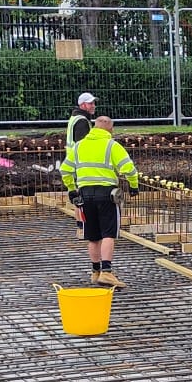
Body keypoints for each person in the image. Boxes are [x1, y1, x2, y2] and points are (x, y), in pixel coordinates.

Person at [59, 114, 139, 288]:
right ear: (110, 129)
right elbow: (129, 169)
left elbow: (65, 170)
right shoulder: (112, 146)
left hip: (85, 194)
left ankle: (95, 272)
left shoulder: (79, 146)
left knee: (93, 236)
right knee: (108, 234)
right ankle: (107, 273)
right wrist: (134, 186)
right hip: (107, 194)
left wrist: (72, 189)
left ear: (94, 128)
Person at [65, 92, 99, 239]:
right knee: (82, 195)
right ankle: (82, 228)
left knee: (79, 195)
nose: (93, 106)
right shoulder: (82, 122)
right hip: (79, 164)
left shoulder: (76, 118)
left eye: (93, 103)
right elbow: (82, 144)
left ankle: (81, 227)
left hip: (73, 162)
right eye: (91, 103)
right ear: (83, 105)